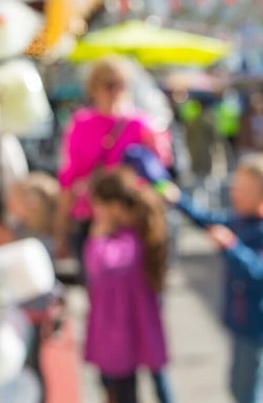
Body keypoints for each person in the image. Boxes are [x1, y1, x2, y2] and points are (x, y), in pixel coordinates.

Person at [169, 154, 263, 403]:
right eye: (236, 187)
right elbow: (206, 220)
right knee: (237, 386)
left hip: (257, 326)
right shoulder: (240, 219)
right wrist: (178, 200)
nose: (236, 194)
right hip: (239, 321)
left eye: (245, 190)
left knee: (249, 391)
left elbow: (260, 272)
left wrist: (232, 246)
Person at [55, 57, 161, 271]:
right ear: (94, 87)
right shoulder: (80, 123)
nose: (116, 91)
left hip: (129, 220)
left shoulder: (140, 124)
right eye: (110, 85)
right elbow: (68, 177)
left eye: (122, 85)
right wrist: (61, 228)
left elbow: (154, 175)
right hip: (89, 217)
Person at [84, 167, 171, 403]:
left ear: (113, 207)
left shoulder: (126, 241)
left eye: (97, 207)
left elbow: (100, 268)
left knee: (121, 391)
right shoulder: (134, 235)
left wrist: (98, 236)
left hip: (119, 335)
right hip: (122, 332)